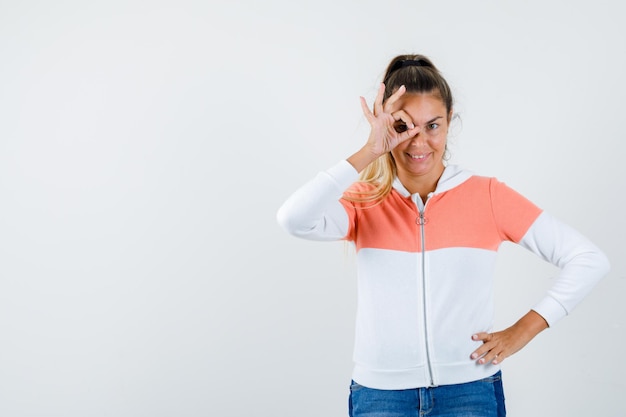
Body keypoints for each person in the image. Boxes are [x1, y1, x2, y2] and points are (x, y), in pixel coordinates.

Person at [276, 54, 610, 417]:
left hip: (469, 392)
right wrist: (369, 151)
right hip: (380, 395)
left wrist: (523, 330)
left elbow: (588, 259)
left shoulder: (487, 195)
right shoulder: (364, 200)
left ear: (450, 121)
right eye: (404, 127)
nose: (419, 142)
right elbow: (293, 219)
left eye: (432, 125)